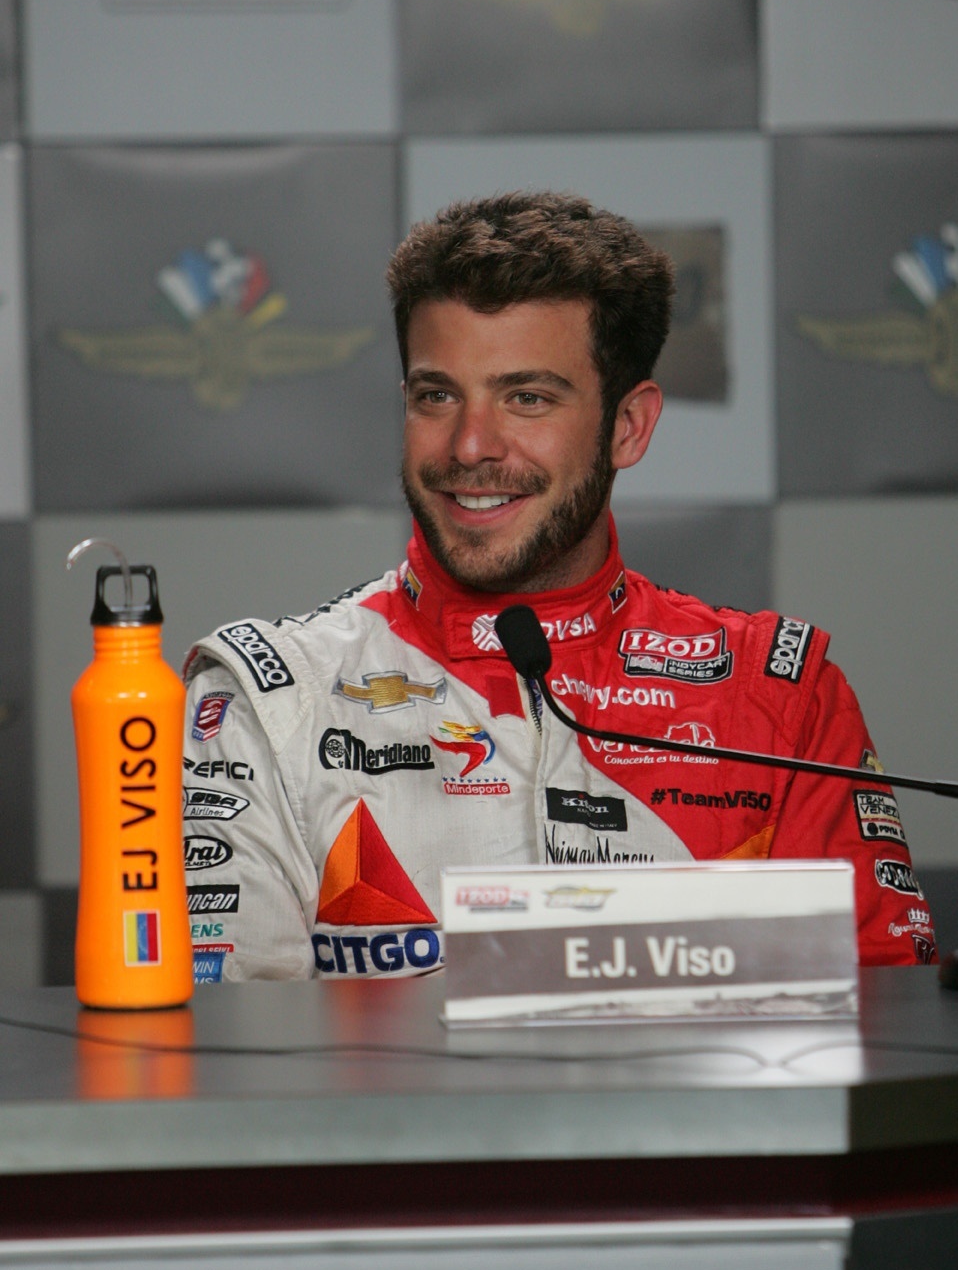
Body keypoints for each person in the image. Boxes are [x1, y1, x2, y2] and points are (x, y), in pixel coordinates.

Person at [182, 191, 936, 982]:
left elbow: (881, 1022)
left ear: (628, 427)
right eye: (437, 395)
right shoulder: (268, 700)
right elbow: (238, 1041)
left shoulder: (782, 698)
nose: (470, 445)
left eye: (527, 398)